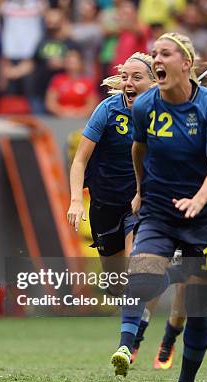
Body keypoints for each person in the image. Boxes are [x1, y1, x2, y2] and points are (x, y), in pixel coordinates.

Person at [110, 33, 207, 382]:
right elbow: (139, 148)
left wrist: (198, 199)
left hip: (206, 214)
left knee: (195, 304)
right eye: (155, 54)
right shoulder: (145, 104)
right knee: (142, 274)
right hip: (160, 208)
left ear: (185, 62)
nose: (156, 59)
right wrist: (140, 190)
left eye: (164, 53)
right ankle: (126, 347)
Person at [131, 61, 207, 369]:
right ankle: (136, 335)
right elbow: (143, 149)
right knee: (154, 272)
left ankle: (170, 338)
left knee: (188, 285)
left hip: (204, 212)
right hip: (168, 207)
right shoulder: (175, 115)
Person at [67, 52, 156, 288]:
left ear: (154, 82)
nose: (129, 82)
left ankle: (135, 320)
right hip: (104, 203)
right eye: (125, 77)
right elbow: (79, 160)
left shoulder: (163, 113)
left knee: (137, 263)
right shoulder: (107, 110)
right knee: (116, 284)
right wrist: (76, 200)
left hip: (139, 202)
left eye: (137, 77)